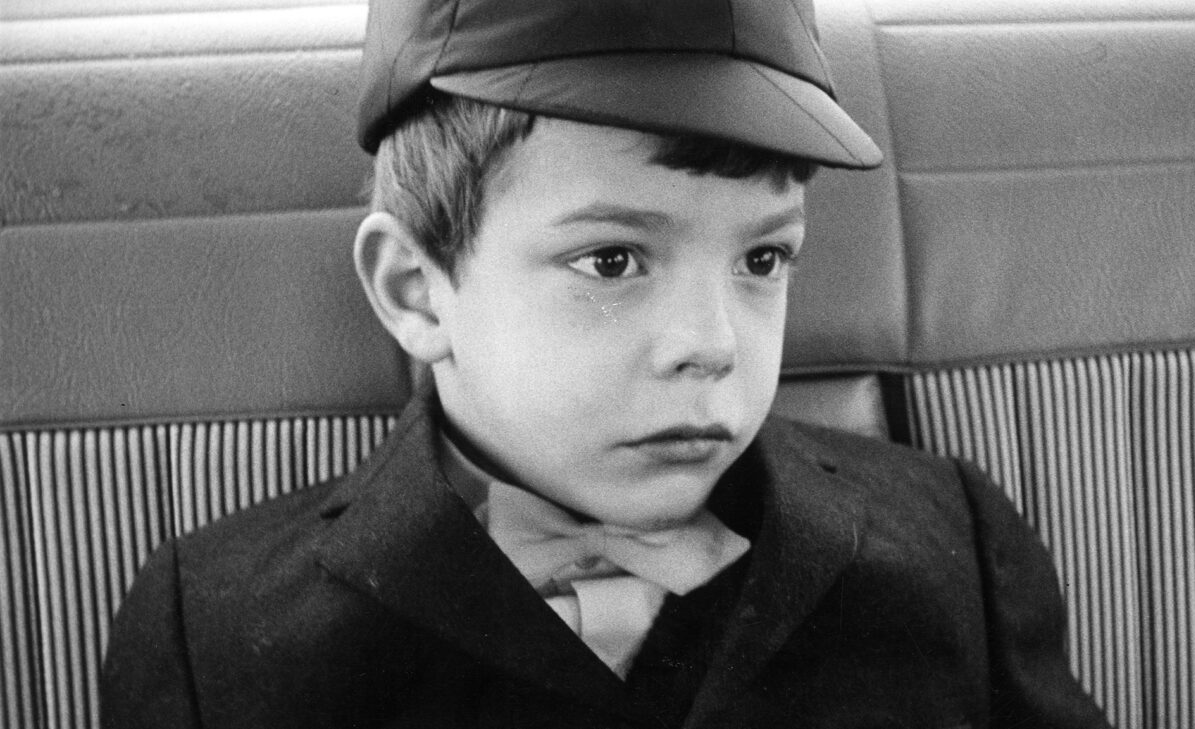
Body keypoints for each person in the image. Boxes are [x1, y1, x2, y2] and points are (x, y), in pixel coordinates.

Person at [102, 1, 1114, 727]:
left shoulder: (951, 551)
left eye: (764, 259)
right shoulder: (221, 638)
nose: (713, 345)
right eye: (612, 260)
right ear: (417, 289)